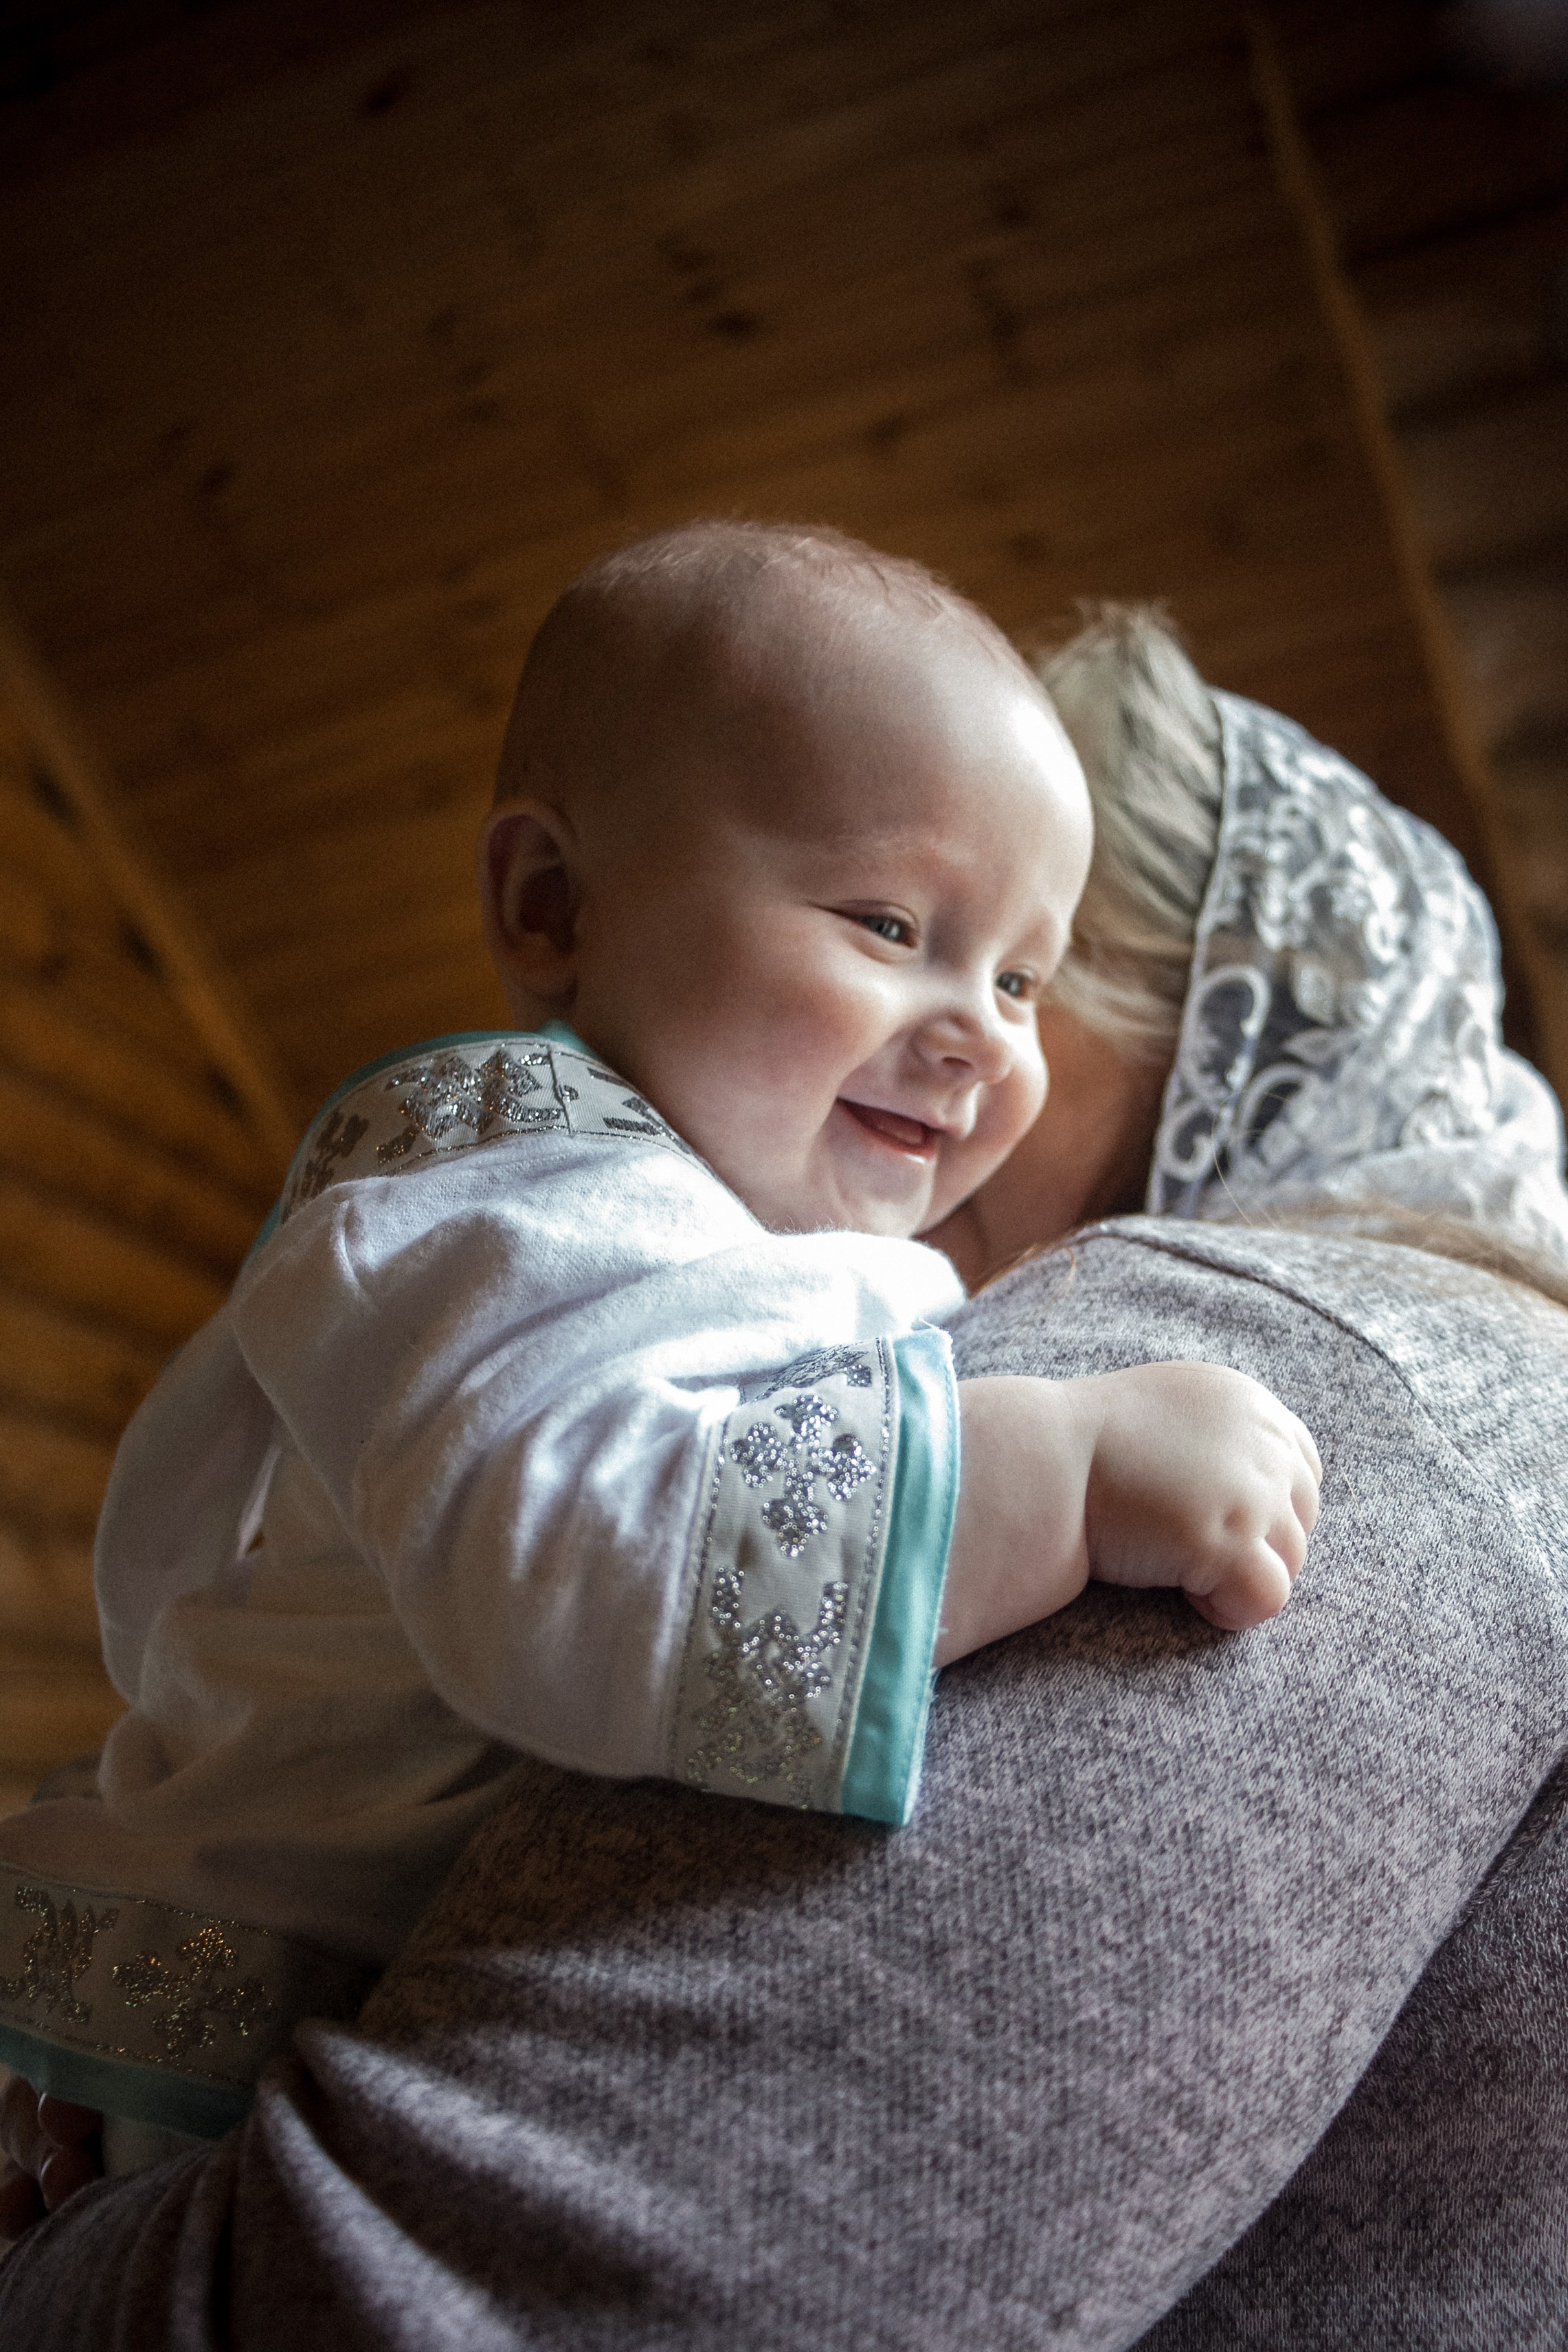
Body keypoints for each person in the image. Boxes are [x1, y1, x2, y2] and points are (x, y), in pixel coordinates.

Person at [1, 606, 1563, 2347]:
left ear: (1203, 1031)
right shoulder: (544, 1200)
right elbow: (587, 1560)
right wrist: (1043, 1470)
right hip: (190, 2020)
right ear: (554, 904)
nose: (979, 1037)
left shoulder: (1290, 1352)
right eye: (889, 927)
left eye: (1028, 978)